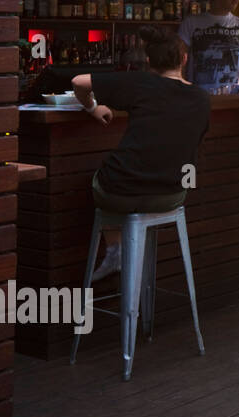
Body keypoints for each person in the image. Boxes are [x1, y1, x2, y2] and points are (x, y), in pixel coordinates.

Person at [72, 27, 212, 281]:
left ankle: (115, 249)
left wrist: (93, 108)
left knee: (102, 178)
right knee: (124, 180)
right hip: (172, 194)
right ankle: (127, 257)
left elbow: (78, 82)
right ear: (184, 59)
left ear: (148, 62)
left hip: (120, 194)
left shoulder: (139, 82)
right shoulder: (202, 98)